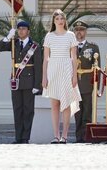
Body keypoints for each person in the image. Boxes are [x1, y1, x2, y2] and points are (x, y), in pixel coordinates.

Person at [0, 21, 42, 144]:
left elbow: (38, 67)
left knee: (28, 110)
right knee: (17, 110)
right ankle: (18, 137)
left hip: (29, 82)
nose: (21, 31)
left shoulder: (34, 46)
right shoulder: (13, 43)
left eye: (24, 29)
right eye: (19, 29)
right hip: (16, 81)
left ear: (28, 31)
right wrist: (8, 37)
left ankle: (25, 137)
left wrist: (37, 86)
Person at [42, 9, 81, 144]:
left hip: (66, 69)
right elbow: (45, 59)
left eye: (62, 18)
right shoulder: (49, 36)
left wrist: (74, 76)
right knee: (54, 105)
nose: (60, 21)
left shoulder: (70, 35)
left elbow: (74, 57)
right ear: (54, 21)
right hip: (52, 70)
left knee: (65, 104)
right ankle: (56, 136)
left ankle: (64, 136)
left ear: (65, 21)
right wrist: (44, 77)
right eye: (57, 19)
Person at [73, 20, 100, 143]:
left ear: (86, 32)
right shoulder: (70, 47)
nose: (79, 32)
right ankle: (78, 136)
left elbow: (97, 68)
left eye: (82, 30)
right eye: (77, 30)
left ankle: (86, 136)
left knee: (87, 111)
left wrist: (97, 86)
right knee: (77, 112)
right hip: (74, 84)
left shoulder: (93, 47)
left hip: (87, 84)